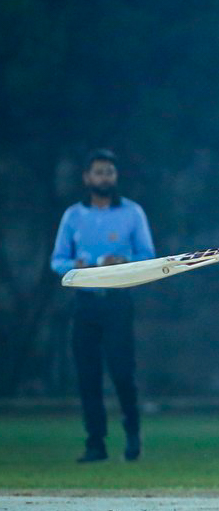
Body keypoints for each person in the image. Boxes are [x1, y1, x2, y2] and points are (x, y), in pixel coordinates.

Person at [50, 149, 155, 463]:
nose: (104, 177)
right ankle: (95, 443)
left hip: (117, 301)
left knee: (122, 372)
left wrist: (123, 260)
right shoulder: (73, 216)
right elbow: (57, 261)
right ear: (87, 177)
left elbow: (149, 257)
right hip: (85, 303)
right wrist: (77, 266)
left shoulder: (132, 213)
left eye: (109, 172)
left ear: (116, 176)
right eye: (98, 172)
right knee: (88, 376)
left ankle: (132, 436)